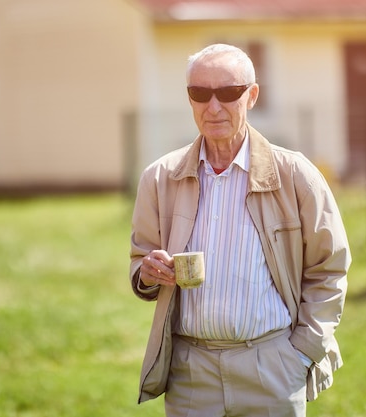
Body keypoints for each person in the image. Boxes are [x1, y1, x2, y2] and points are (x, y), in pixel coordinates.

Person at [129, 43, 351, 417]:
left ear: (252, 95)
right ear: (190, 99)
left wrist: (303, 351)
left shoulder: (295, 175)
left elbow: (329, 268)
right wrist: (149, 272)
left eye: (228, 93)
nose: (213, 107)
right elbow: (140, 263)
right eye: (200, 93)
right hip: (189, 373)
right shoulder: (160, 177)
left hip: (272, 367)